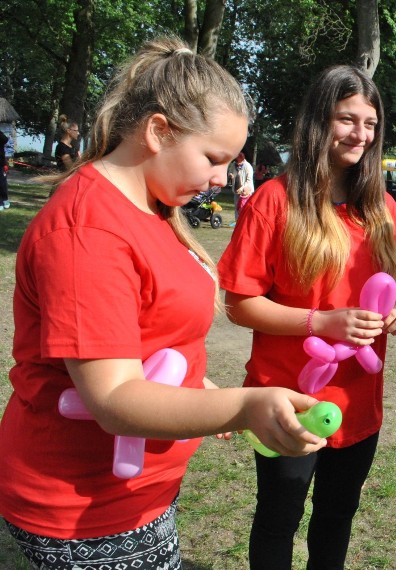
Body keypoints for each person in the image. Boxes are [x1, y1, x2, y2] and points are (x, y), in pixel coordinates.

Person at [0, 36, 326, 569]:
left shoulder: (150, 206)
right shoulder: (89, 230)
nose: (222, 178)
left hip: (135, 493)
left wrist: (198, 388)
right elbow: (113, 398)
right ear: (157, 131)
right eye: (214, 158)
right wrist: (246, 405)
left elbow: (149, 333)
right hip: (84, 507)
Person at [217, 64, 396, 569]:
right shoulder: (273, 201)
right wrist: (320, 322)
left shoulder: (383, 208)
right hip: (288, 398)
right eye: (347, 119)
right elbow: (240, 305)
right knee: (278, 519)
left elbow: (395, 289)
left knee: (336, 518)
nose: (361, 134)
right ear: (318, 123)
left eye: (370, 124)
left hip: (359, 402)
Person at [231, 151, 254, 226]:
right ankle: (237, 223)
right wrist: (231, 175)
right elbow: (230, 172)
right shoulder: (233, 165)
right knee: (237, 207)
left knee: (245, 208)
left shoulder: (248, 166)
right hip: (236, 191)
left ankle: (245, 223)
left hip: (246, 193)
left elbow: (249, 180)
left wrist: (242, 189)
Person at [0, 130, 9, 209]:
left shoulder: (1, 136)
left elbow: (5, 140)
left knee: (2, 183)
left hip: (1, 164)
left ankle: (4, 199)